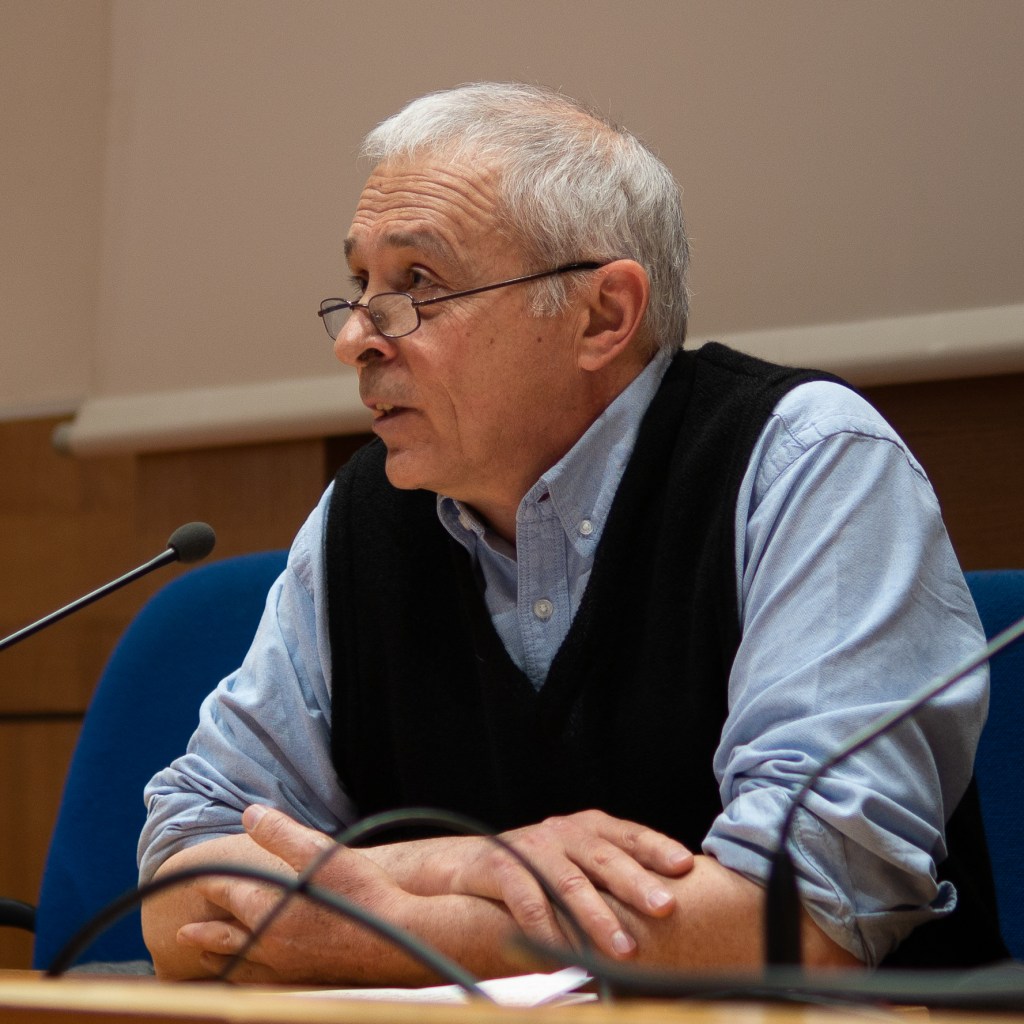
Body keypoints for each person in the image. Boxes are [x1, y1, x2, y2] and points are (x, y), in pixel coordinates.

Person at [138, 82, 1004, 984]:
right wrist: (455, 865)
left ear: (603, 316)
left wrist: (396, 933)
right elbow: (176, 882)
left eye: (417, 284)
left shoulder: (806, 462)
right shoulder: (367, 513)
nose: (355, 337)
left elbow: (809, 918)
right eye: (362, 285)